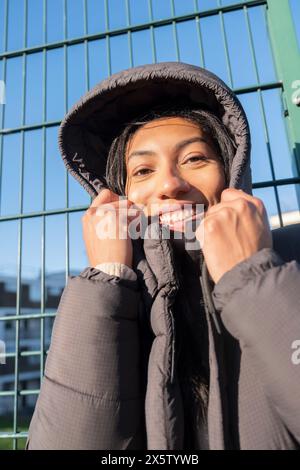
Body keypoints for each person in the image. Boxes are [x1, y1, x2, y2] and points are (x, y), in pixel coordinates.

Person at [26, 62, 300, 450]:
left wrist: (252, 279)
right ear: (117, 197)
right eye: (142, 170)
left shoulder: (289, 263)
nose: (170, 184)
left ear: (232, 170)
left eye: (194, 159)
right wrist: (105, 280)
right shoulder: (108, 300)